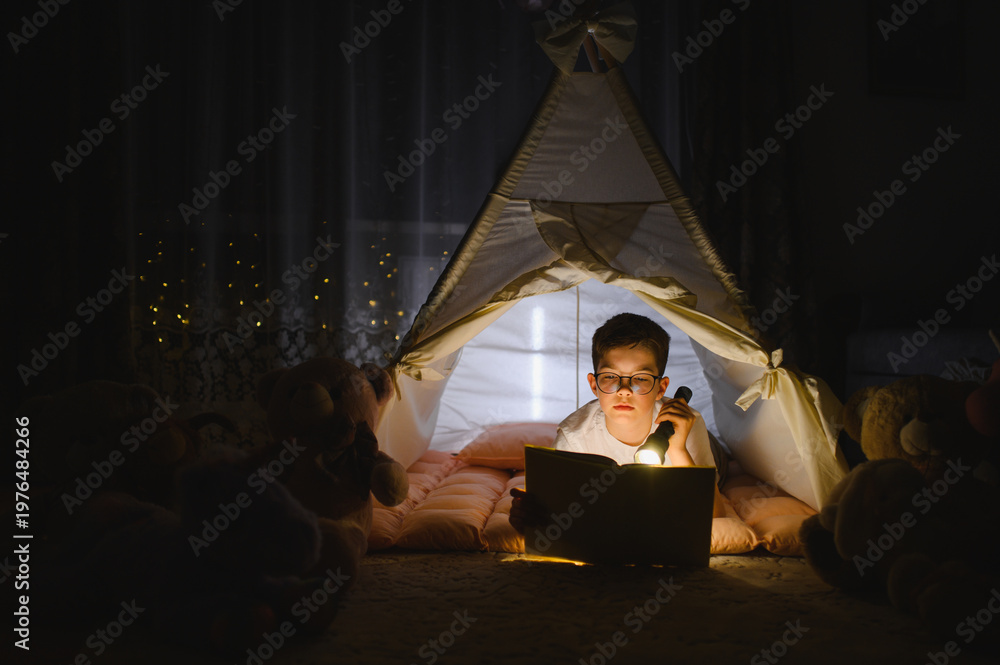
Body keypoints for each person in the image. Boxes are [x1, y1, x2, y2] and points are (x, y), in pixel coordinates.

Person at [509, 312, 728, 533]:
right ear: (594, 385)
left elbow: (716, 515)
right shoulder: (573, 436)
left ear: (661, 388)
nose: (624, 391)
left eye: (640, 378)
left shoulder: (686, 424)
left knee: (719, 459)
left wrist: (678, 449)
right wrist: (528, 514)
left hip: (712, 451)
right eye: (610, 377)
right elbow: (550, 508)